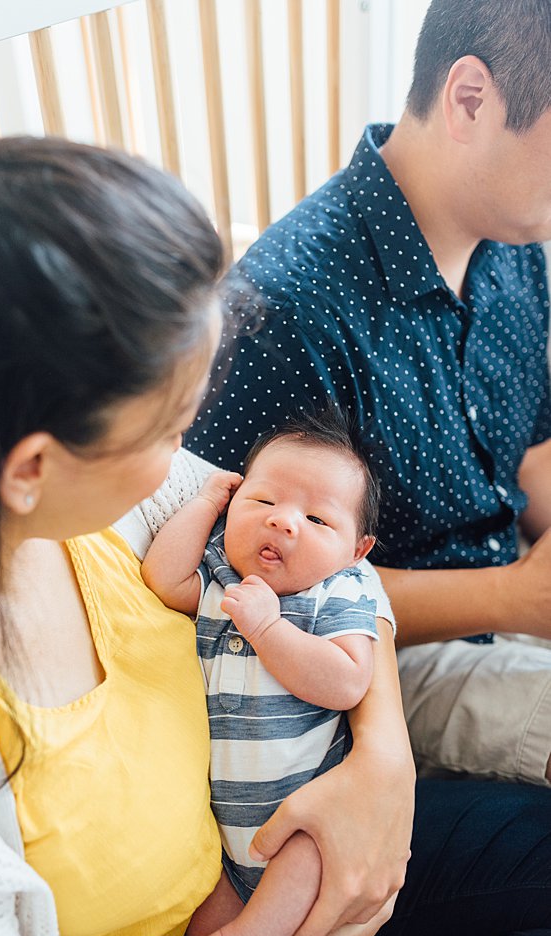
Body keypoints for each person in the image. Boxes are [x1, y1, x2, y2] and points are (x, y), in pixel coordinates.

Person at [0, 136, 551, 936]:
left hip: (264, 859)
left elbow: (340, 574)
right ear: (31, 468)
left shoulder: (126, 509)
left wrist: (381, 759)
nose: (193, 460)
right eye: (169, 430)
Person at [185, 0, 551, 786]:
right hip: (367, 656)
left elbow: (529, 455)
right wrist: (516, 599)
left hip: (508, 584)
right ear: (471, 100)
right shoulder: (285, 312)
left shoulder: (516, 241)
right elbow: (250, 578)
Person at [140, 410, 382, 936]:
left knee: (295, 870)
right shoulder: (221, 584)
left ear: (357, 551)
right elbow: (163, 579)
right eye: (264, 500)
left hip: (300, 820)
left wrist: (271, 631)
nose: (282, 522)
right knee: (203, 892)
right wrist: (208, 502)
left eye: (317, 519)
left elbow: (347, 680)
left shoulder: (335, 596)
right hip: (223, 831)